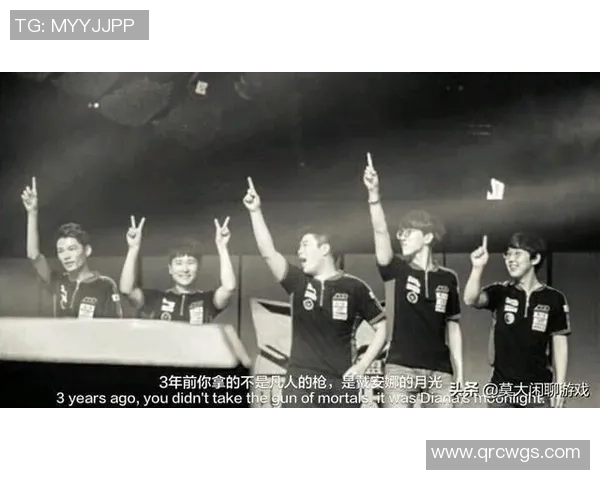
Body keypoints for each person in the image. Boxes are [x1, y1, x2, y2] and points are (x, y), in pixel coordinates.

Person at [243, 177, 387, 408]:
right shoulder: (298, 281)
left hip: (341, 383)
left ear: (325, 249)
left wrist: (362, 365)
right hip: (300, 382)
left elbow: (383, 327)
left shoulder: (355, 287)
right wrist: (255, 211)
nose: (299, 251)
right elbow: (268, 252)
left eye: (305, 245)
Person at [363, 153, 463, 408]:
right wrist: (373, 195)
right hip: (400, 367)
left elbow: (453, 326)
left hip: (440, 371)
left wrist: (459, 371)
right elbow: (380, 231)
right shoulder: (396, 268)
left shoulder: (447, 278)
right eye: (401, 232)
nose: (402, 237)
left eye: (409, 232)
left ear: (427, 238)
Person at [463, 233, 570, 408]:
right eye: (508, 254)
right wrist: (477, 268)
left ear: (535, 259)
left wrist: (560, 385)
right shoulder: (500, 292)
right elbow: (470, 299)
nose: (510, 259)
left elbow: (559, 342)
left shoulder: (554, 298)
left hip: (538, 392)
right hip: (501, 390)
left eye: (517, 254)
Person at [21, 177, 123, 319]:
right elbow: (34, 256)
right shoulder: (57, 281)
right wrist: (32, 213)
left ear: (87, 251)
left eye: (72, 249)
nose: (66, 256)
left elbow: (116, 326)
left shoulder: (105, 285)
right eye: (61, 251)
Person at [119, 215, 235, 323]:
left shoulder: (208, 301)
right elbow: (127, 290)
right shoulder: (156, 299)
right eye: (179, 263)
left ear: (199, 267)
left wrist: (222, 247)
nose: (185, 269)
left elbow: (229, 287)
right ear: (170, 269)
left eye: (190, 262)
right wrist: (133, 248)